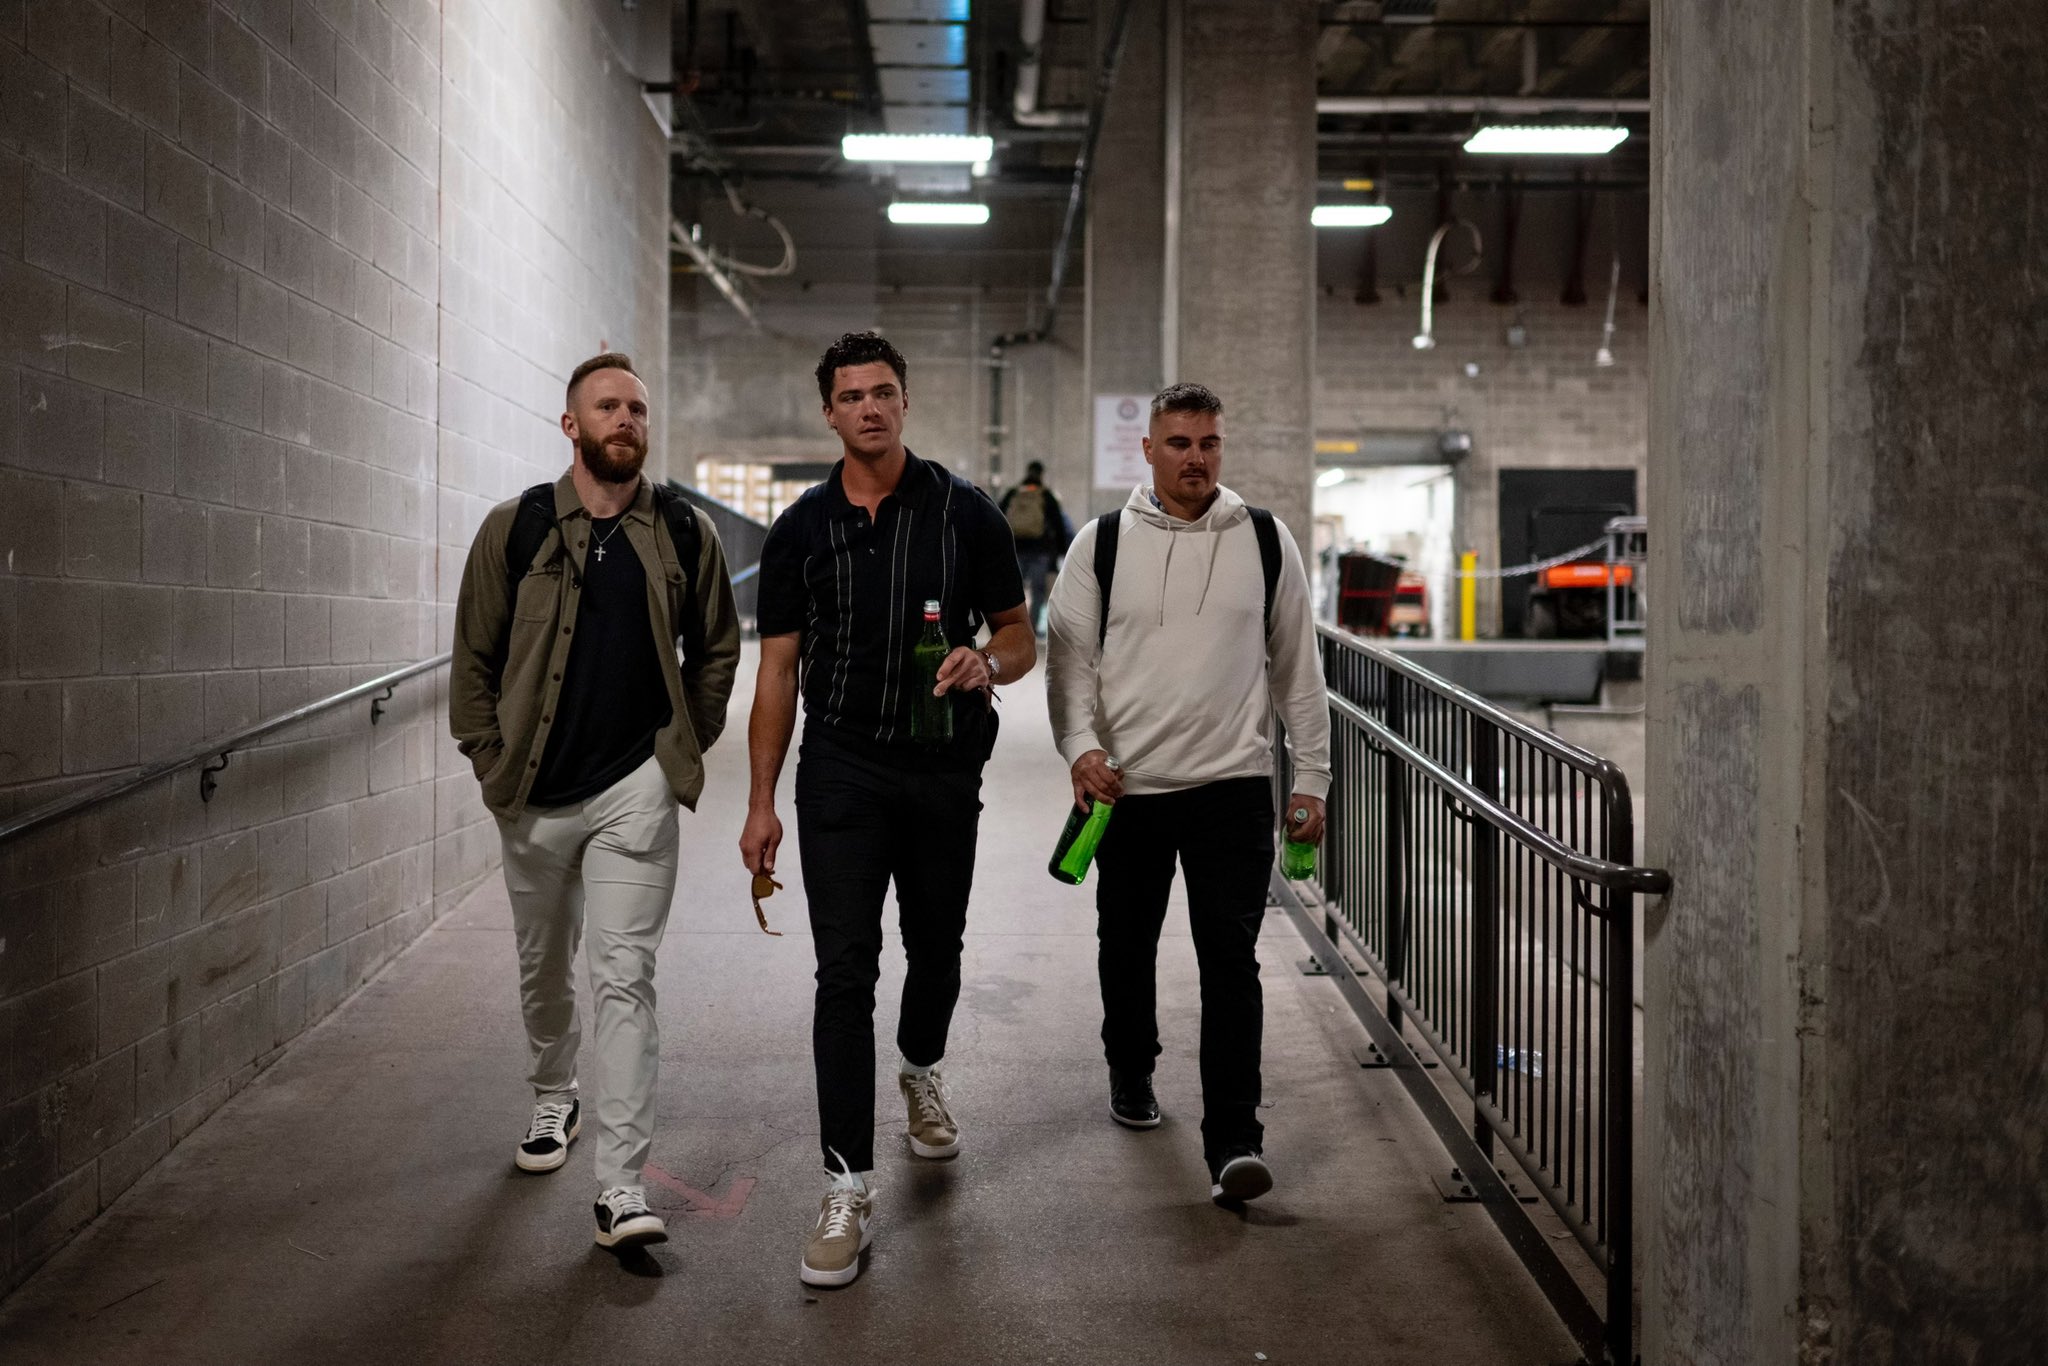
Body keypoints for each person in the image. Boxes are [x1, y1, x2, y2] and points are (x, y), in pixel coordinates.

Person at [741, 331, 1034, 1288]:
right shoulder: (799, 531)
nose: (869, 407)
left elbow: (1021, 637)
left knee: (937, 950)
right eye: (851, 395)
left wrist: (984, 662)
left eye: (884, 392)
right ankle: (845, 1185)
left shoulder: (965, 513)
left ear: (905, 402)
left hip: (944, 768)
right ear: (828, 412)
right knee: (843, 974)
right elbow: (778, 671)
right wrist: (760, 801)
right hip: (839, 769)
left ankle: (920, 1068)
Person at [450, 352, 741, 1252]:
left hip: (634, 792)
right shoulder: (515, 529)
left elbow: (719, 651)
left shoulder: (686, 534)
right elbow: (473, 663)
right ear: (571, 425)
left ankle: (619, 1186)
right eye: (608, 407)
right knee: (545, 965)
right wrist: (492, 763)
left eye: (638, 410)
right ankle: (552, 1095)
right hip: (531, 794)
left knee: (624, 979)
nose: (626, 421)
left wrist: (675, 751)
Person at [1043, 381, 1331, 1206]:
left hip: (1232, 790)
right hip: (1126, 792)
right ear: (1149, 450)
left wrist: (1310, 777)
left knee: (1230, 964)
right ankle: (1130, 1067)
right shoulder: (1100, 545)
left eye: (1208, 443)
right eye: (1178, 443)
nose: (1196, 458)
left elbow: (1297, 673)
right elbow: (1070, 664)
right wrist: (1081, 748)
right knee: (1125, 947)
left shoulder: (1267, 542)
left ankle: (1234, 1139)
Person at [999, 460, 1072, 634]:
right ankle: (1029, 628)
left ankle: (1008, 628)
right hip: (1040, 551)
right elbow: (1058, 524)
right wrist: (1061, 551)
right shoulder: (1046, 496)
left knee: (1013, 590)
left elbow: (998, 516)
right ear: (1041, 474)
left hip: (1015, 549)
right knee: (1038, 591)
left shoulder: (1013, 493)